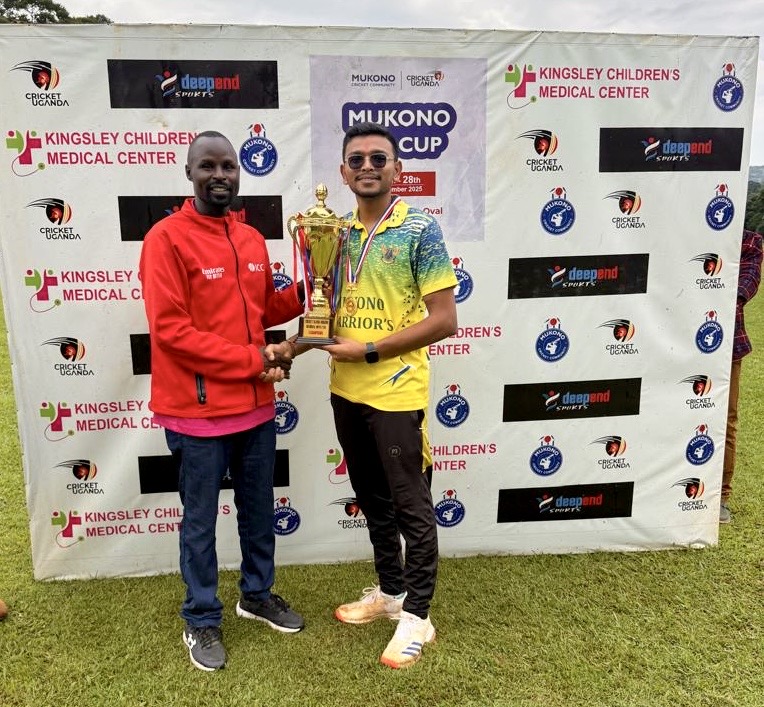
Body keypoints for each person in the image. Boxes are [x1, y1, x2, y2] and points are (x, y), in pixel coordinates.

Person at [139, 130, 305, 672]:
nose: (220, 175)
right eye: (208, 166)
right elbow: (172, 332)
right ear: (189, 172)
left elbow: (262, 310)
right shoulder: (165, 239)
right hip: (198, 414)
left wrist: (310, 291)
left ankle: (256, 595)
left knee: (258, 513)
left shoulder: (251, 238)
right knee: (200, 522)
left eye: (228, 166)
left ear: (239, 172)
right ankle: (201, 616)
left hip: (254, 408)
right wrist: (255, 359)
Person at [321, 122, 458, 668]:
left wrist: (371, 350)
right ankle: (391, 591)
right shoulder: (335, 234)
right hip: (345, 388)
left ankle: (417, 617)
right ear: (343, 172)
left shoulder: (420, 229)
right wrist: (293, 346)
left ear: (397, 169)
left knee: (411, 505)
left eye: (379, 158)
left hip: (397, 391)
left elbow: (444, 320)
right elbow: (324, 308)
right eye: (357, 159)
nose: (367, 167)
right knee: (371, 497)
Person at [721, 228, 763, 523]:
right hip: (677, 344)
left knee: (726, 420)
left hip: (728, 343)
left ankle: (720, 497)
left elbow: (747, 283)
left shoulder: (748, 240)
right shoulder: (683, 231)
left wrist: (714, 294)